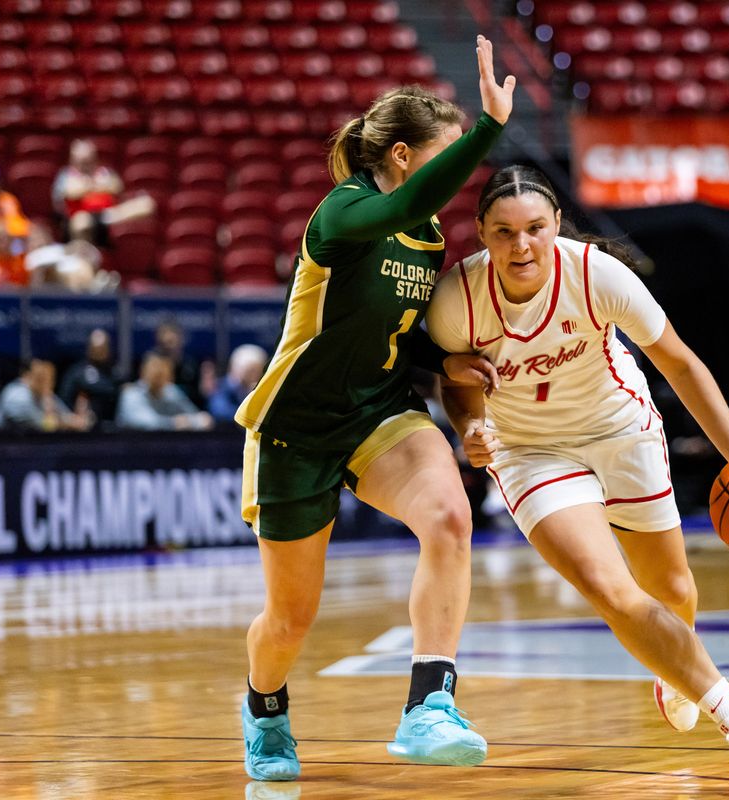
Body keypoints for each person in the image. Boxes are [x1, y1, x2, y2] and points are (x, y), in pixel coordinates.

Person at [428, 165, 729, 797]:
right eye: (505, 232)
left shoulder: (597, 273)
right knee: (611, 590)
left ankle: (676, 669)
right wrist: (471, 428)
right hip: (532, 453)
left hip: (620, 430)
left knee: (673, 591)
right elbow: (456, 382)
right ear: (482, 234)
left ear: (558, 226)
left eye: (536, 229)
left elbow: (679, 361)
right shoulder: (457, 298)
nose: (522, 247)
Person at [232, 36, 514, 783]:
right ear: (398, 156)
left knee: (452, 517)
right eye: (445, 157)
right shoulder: (343, 212)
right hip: (298, 426)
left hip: (381, 412)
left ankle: (430, 704)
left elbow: (390, 329)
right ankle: (263, 706)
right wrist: (488, 126)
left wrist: (440, 360)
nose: (454, 179)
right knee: (290, 619)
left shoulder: (426, 238)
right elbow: (416, 200)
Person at [52, 138, 155, 246]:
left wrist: (87, 187)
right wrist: (97, 186)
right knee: (82, 222)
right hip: (80, 216)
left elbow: (116, 187)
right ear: (73, 160)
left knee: (146, 204)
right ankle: (83, 254)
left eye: (88, 160)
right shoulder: (66, 175)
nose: (85, 165)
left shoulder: (104, 172)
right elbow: (71, 192)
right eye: (82, 161)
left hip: (108, 215)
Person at [115, 352, 213, 431]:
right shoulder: (131, 394)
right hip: (132, 448)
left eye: (163, 370)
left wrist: (194, 421)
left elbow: (198, 416)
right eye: (154, 369)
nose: (158, 374)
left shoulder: (170, 391)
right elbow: (146, 423)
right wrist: (173, 423)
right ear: (142, 372)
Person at [0, 358, 92, 432]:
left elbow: (69, 417)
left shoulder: (42, 394)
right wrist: (72, 422)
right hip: (11, 450)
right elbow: (46, 425)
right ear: (26, 376)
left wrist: (78, 419)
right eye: (40, 378)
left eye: (50, 379)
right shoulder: (17, 396)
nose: (47, 383)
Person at [59, 328, 122, 423]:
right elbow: (64, 398)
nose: (99, 352)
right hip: (81, 426)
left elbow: (119, 394)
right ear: (89, 348)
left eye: (102, 348)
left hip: (112, 425)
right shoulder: (77, 372)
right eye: (96, 348)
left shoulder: (115, 372)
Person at [209, 344, 267, 424]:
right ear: (236, 368)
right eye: (251, 371)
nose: (255, 376)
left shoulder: (263, 387)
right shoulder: (222, 386)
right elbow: (219, 411)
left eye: (259, 371)